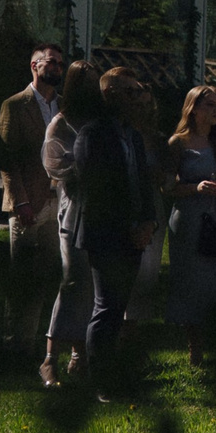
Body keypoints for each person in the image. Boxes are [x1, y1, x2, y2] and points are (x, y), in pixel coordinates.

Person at [70, 64, 160, 394]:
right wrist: (129, 229)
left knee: (119, 307)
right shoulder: (92, 134)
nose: (138, 98)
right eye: (131, 92)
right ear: (110, 95)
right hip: (106, 235)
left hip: (136, 235)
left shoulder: (133, 136)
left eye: (139, 91)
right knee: (106, 307)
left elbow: (143, 184)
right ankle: (100, 382)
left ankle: (114, 376)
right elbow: (97, 193)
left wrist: (149, 222)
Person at [0, 44, 67, 362]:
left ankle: (43, 346)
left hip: (58, 202)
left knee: (53, 278)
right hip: (27, 205)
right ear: (34, 65)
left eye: (60, 64)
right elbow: (6, 160)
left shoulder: (65, 106)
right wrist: (20, 201)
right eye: (51, 62)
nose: (56, 68)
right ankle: (14, 347)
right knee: (23, 280)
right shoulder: (14, 105)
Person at [163, 85, 216, 366]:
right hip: (189, 220)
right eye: (209, 105)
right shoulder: (178, 142)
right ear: (193, 108)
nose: (215, 111)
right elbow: (167, 186)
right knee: (191, 284)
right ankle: (195, 350)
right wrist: (194, 187)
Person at [39, 63, 96, 389]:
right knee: (72, 282)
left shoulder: (99, 123)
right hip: (73, 212)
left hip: (101, 213)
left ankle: (81, 356)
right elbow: (54, 166)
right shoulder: (60, 125)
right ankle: (50, 358)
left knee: (92, 285)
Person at [106, 68, 172, 330]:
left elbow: (170, 179)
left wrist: (161, 177)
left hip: (152, 207)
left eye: (148, 105)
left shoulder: (158, 141)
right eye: (138, 104)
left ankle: (132, 331)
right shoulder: (116, 134)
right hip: (123, 205)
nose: (143, 110)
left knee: (146, 272)